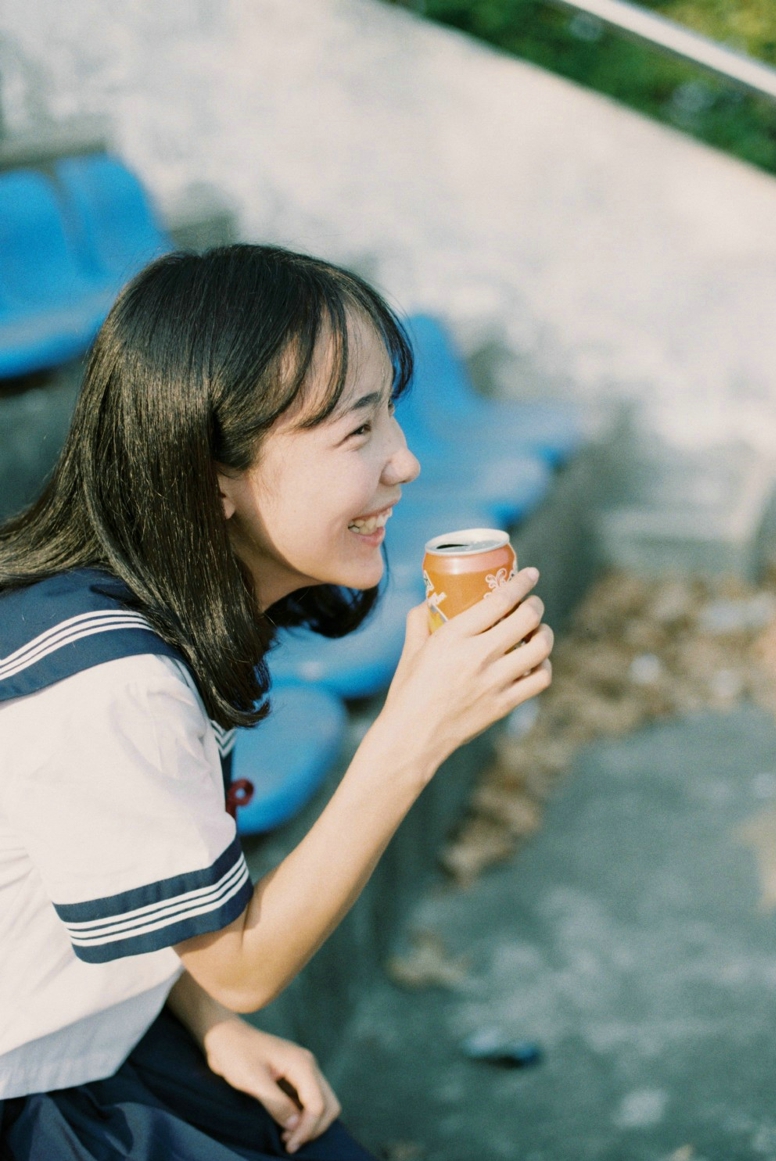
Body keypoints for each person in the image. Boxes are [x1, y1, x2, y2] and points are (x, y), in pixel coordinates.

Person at [0, 244, 553, 1160]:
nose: (405, 463)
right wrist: (414, 730)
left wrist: (209, 1021)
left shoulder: (148, 612)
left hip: (96, 1032)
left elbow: (111, 876)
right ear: (210, 471)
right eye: (357, 432)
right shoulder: (110, 682)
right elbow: (246, 963)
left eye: (392, 419)